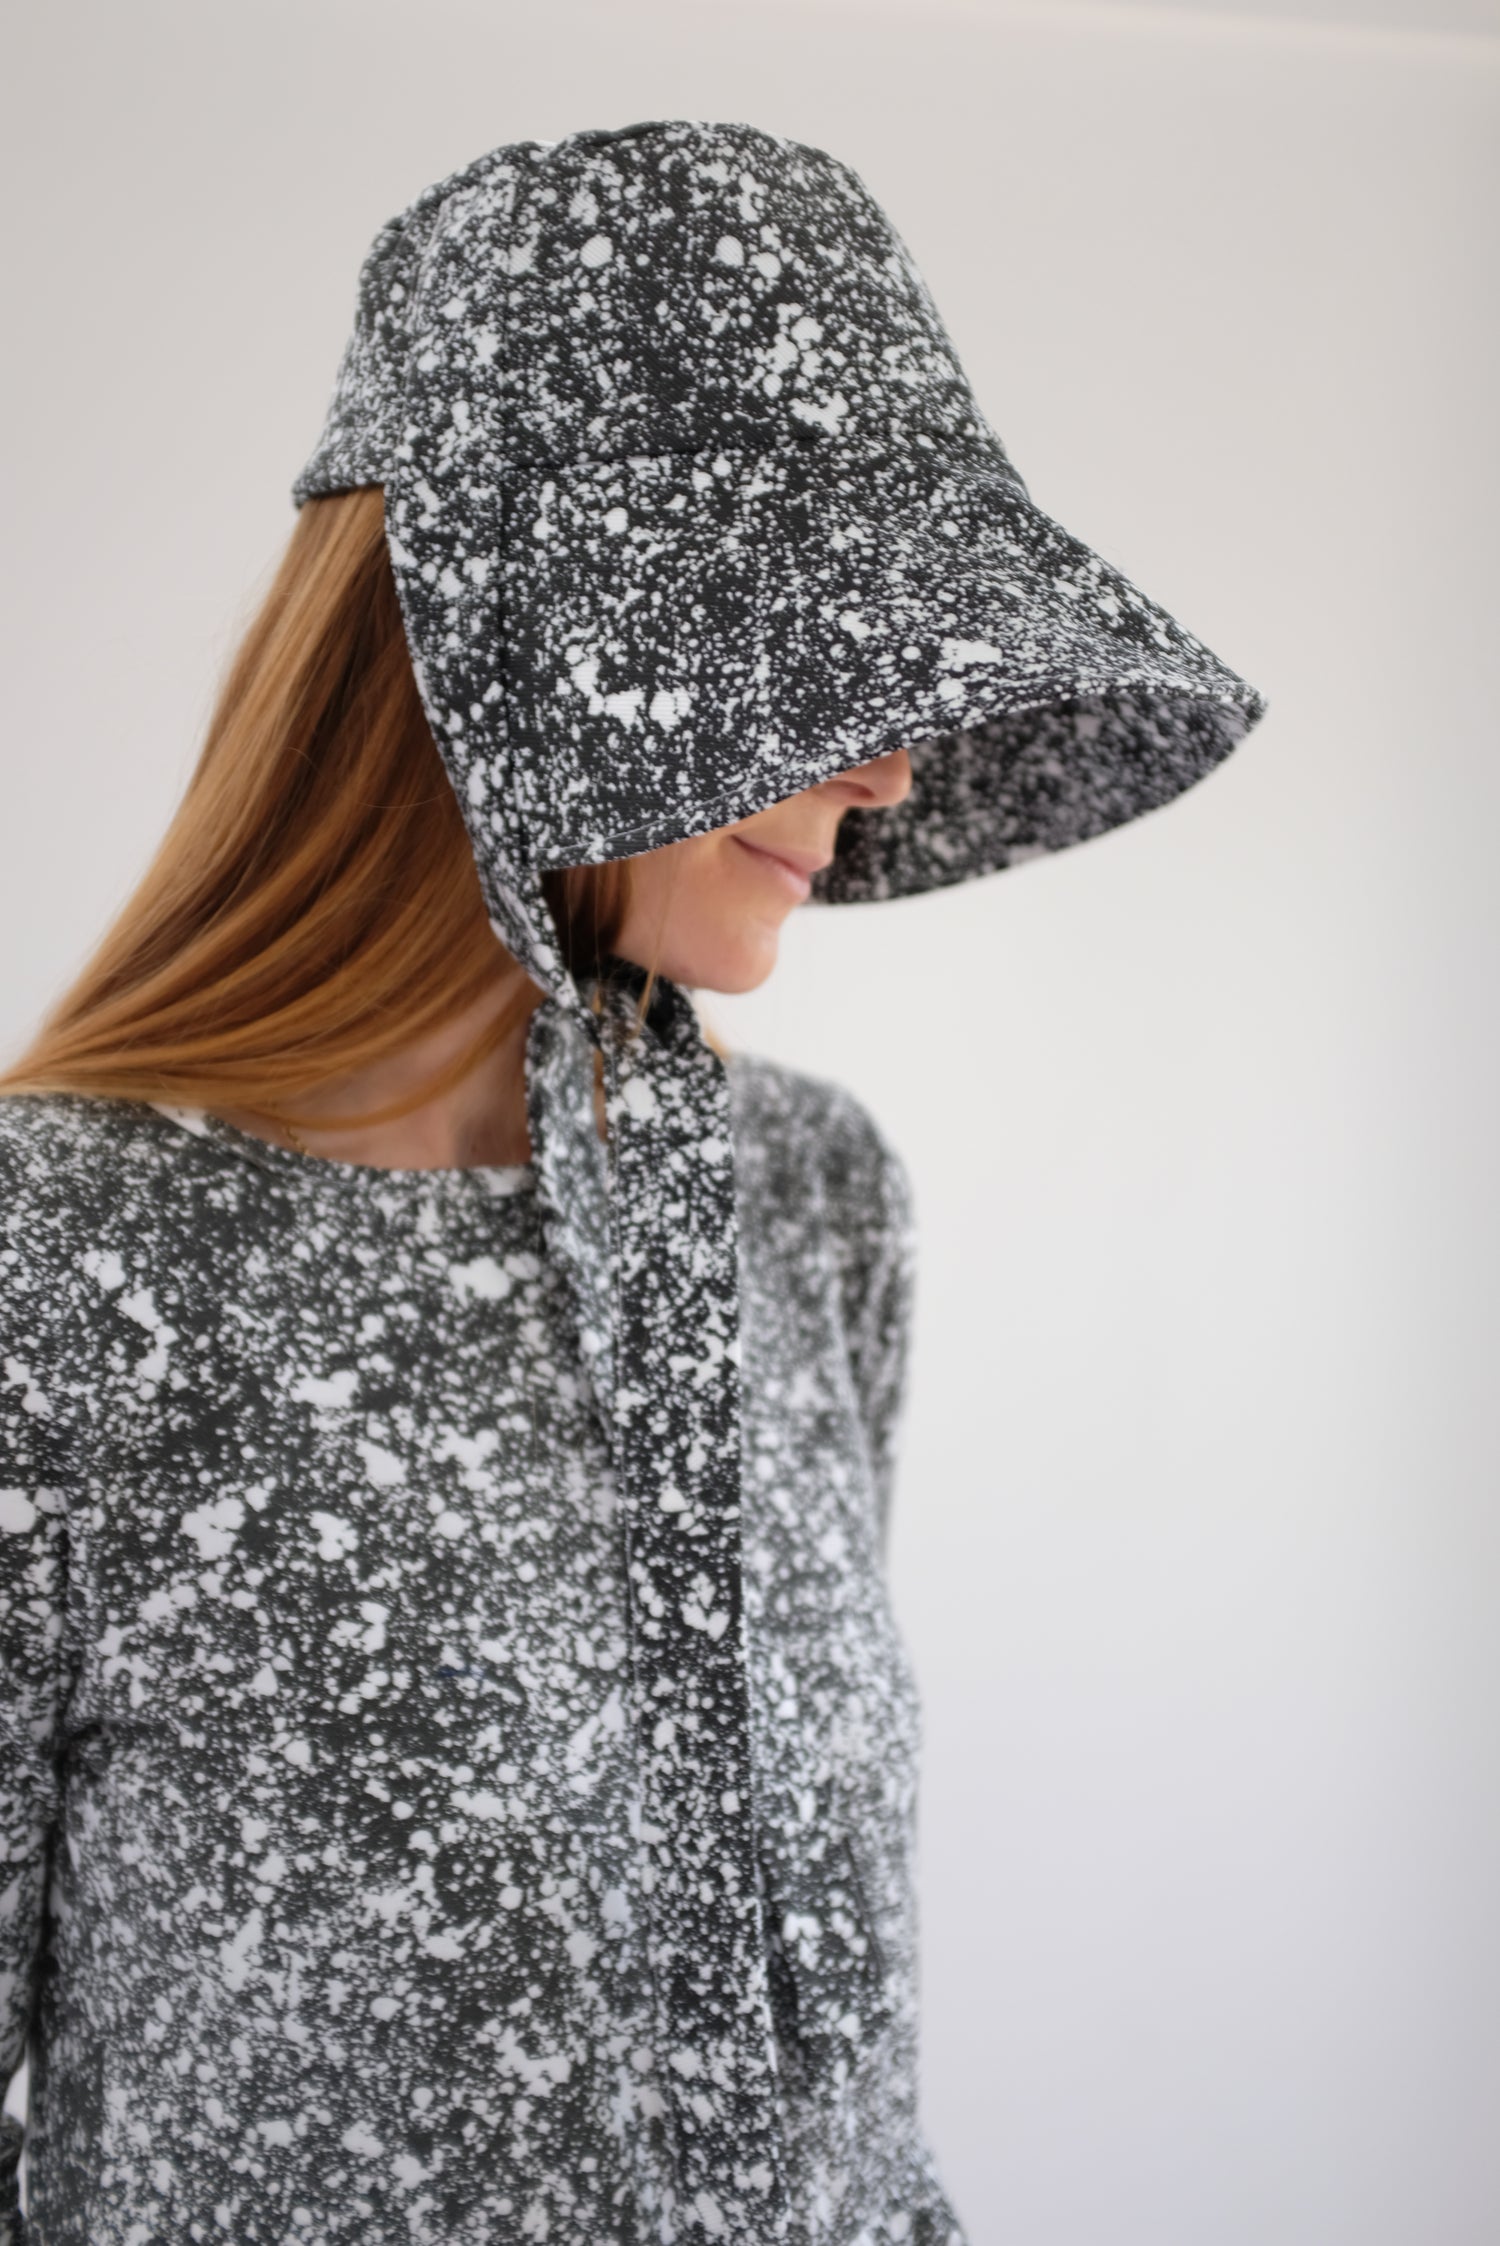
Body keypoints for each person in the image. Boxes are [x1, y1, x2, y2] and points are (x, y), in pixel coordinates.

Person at [0, 121, 1267, 2246]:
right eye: (821, 654)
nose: (889, 763)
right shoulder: (56, 1266)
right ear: (534, 633)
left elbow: (846, 2098)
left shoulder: (813, 1199)